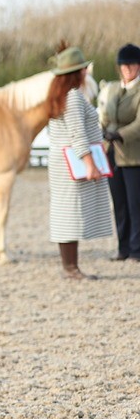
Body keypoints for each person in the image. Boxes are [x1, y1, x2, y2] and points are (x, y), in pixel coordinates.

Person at [45, 46, 114, 279]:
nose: (86, 72)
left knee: (65, 211)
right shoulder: (73, 96)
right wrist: (90, 164)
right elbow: (78, 133)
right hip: (73, 161)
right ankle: (70, 267)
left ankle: (70, 266)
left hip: (61, 161)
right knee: (70, 212)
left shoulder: (58, 95)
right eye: (83, 69)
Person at [97, 43, 140, 261]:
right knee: (119, 203)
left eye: (131, 65)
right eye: (123, 65)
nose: (127, 69)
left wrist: (119, 134)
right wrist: (101, 129)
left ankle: (137, 249)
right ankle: (123, 247)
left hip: (134, 155)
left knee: (135, 204)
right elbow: (105, 114)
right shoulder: (112, 89)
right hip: (111, 153)